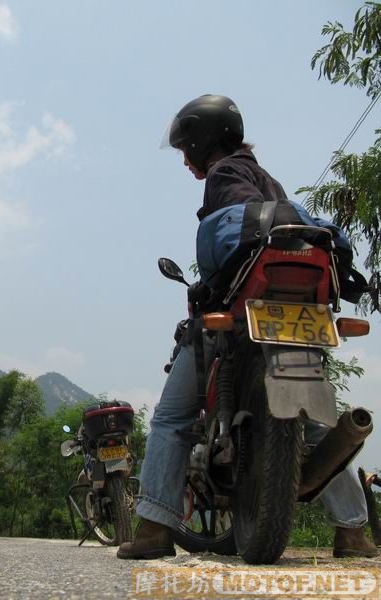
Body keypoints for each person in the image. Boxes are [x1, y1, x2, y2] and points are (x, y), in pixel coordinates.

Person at [117, 94, 378, 560]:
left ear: (202, 140)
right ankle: (353, 532)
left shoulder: (224, 174)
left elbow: (238, 232)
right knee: (316, 423)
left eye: (185, 149)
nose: (184, 159)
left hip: (238, 315)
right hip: (297, 311)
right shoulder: (270, 180)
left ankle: (155, 529)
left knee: (173, 417)